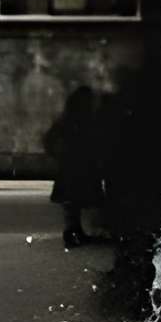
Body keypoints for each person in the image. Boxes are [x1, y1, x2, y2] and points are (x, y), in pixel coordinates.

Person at [47, 83, 110, 248]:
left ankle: (73, 232)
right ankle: (79, 232)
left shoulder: (66, 120)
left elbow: (50, 140)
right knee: (80, 200)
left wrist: (58, 155)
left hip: (69, 168)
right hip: (84, 168)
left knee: (71, 205)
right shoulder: (91, 121)